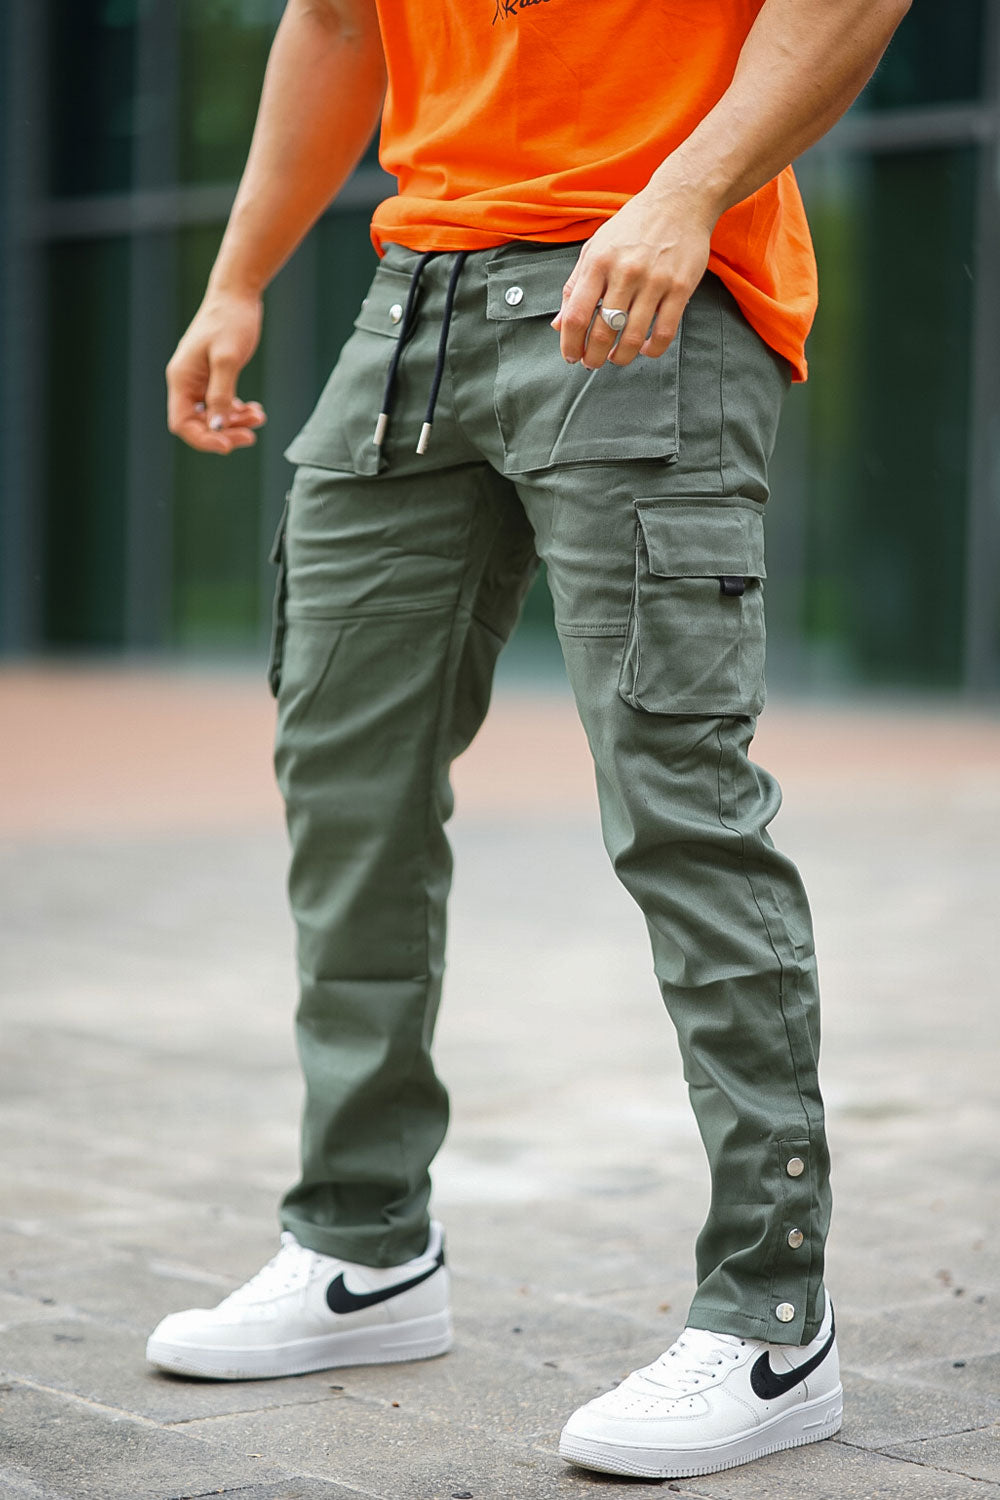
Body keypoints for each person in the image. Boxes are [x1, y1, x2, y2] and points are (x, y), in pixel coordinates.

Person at [147, 0, 911, 1480]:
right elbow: (334, 24)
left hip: (646, 283)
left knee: (680, 807)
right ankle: (361, 1245)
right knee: (344, 783)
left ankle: (771, 1314)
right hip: (412, 311)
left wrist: (688, 191)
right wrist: (237, 280)